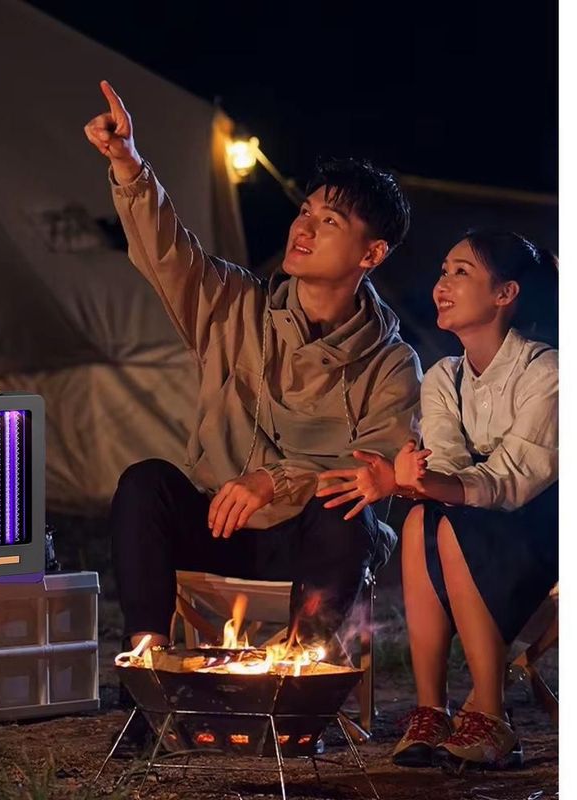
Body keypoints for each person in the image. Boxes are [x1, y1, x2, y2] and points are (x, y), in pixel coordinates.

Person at [83, 80, 421, 655]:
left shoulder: (391, 362)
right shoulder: (236, 306)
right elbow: (169, 256)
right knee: (145, 483)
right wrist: (128, 165)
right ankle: (149, 664)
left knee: (346, 517)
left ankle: (300, 671)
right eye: (305, 211)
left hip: (309, 550)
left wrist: (274, 482)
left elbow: (368, 472)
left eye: (330, 222)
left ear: (371, 254)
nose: (303, 229)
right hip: (219, 525)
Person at [319, 229, 558, 770]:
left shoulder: (547, 372)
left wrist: (408, 483)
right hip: (473, 526)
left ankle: (491, 716)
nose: (442, 285)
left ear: (506, 293)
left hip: (543, 534)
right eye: (443, 271)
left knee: (445, 520)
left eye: (461, 272)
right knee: (421, 520)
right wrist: (412, 480)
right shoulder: (445, 377)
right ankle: (431, 710)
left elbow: (512, 480)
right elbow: (444, 465)